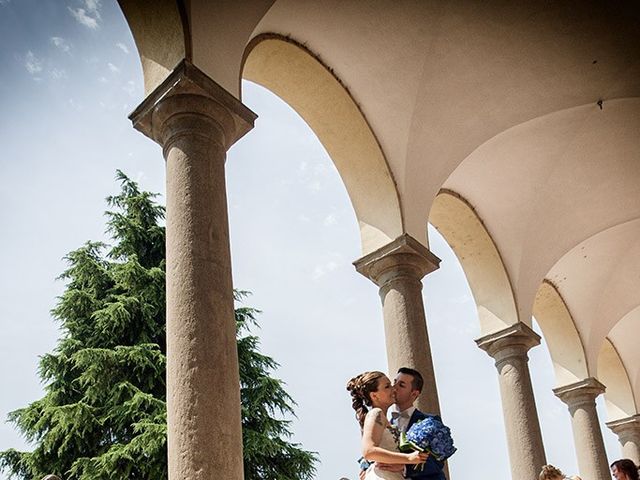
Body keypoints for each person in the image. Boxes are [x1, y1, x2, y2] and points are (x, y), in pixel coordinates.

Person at [347, 371, 428, 480]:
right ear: (374, 395)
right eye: (387, 386)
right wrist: (408, 458)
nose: (393, 389)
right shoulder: (376, 413)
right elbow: (369, 451)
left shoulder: (383, 419)